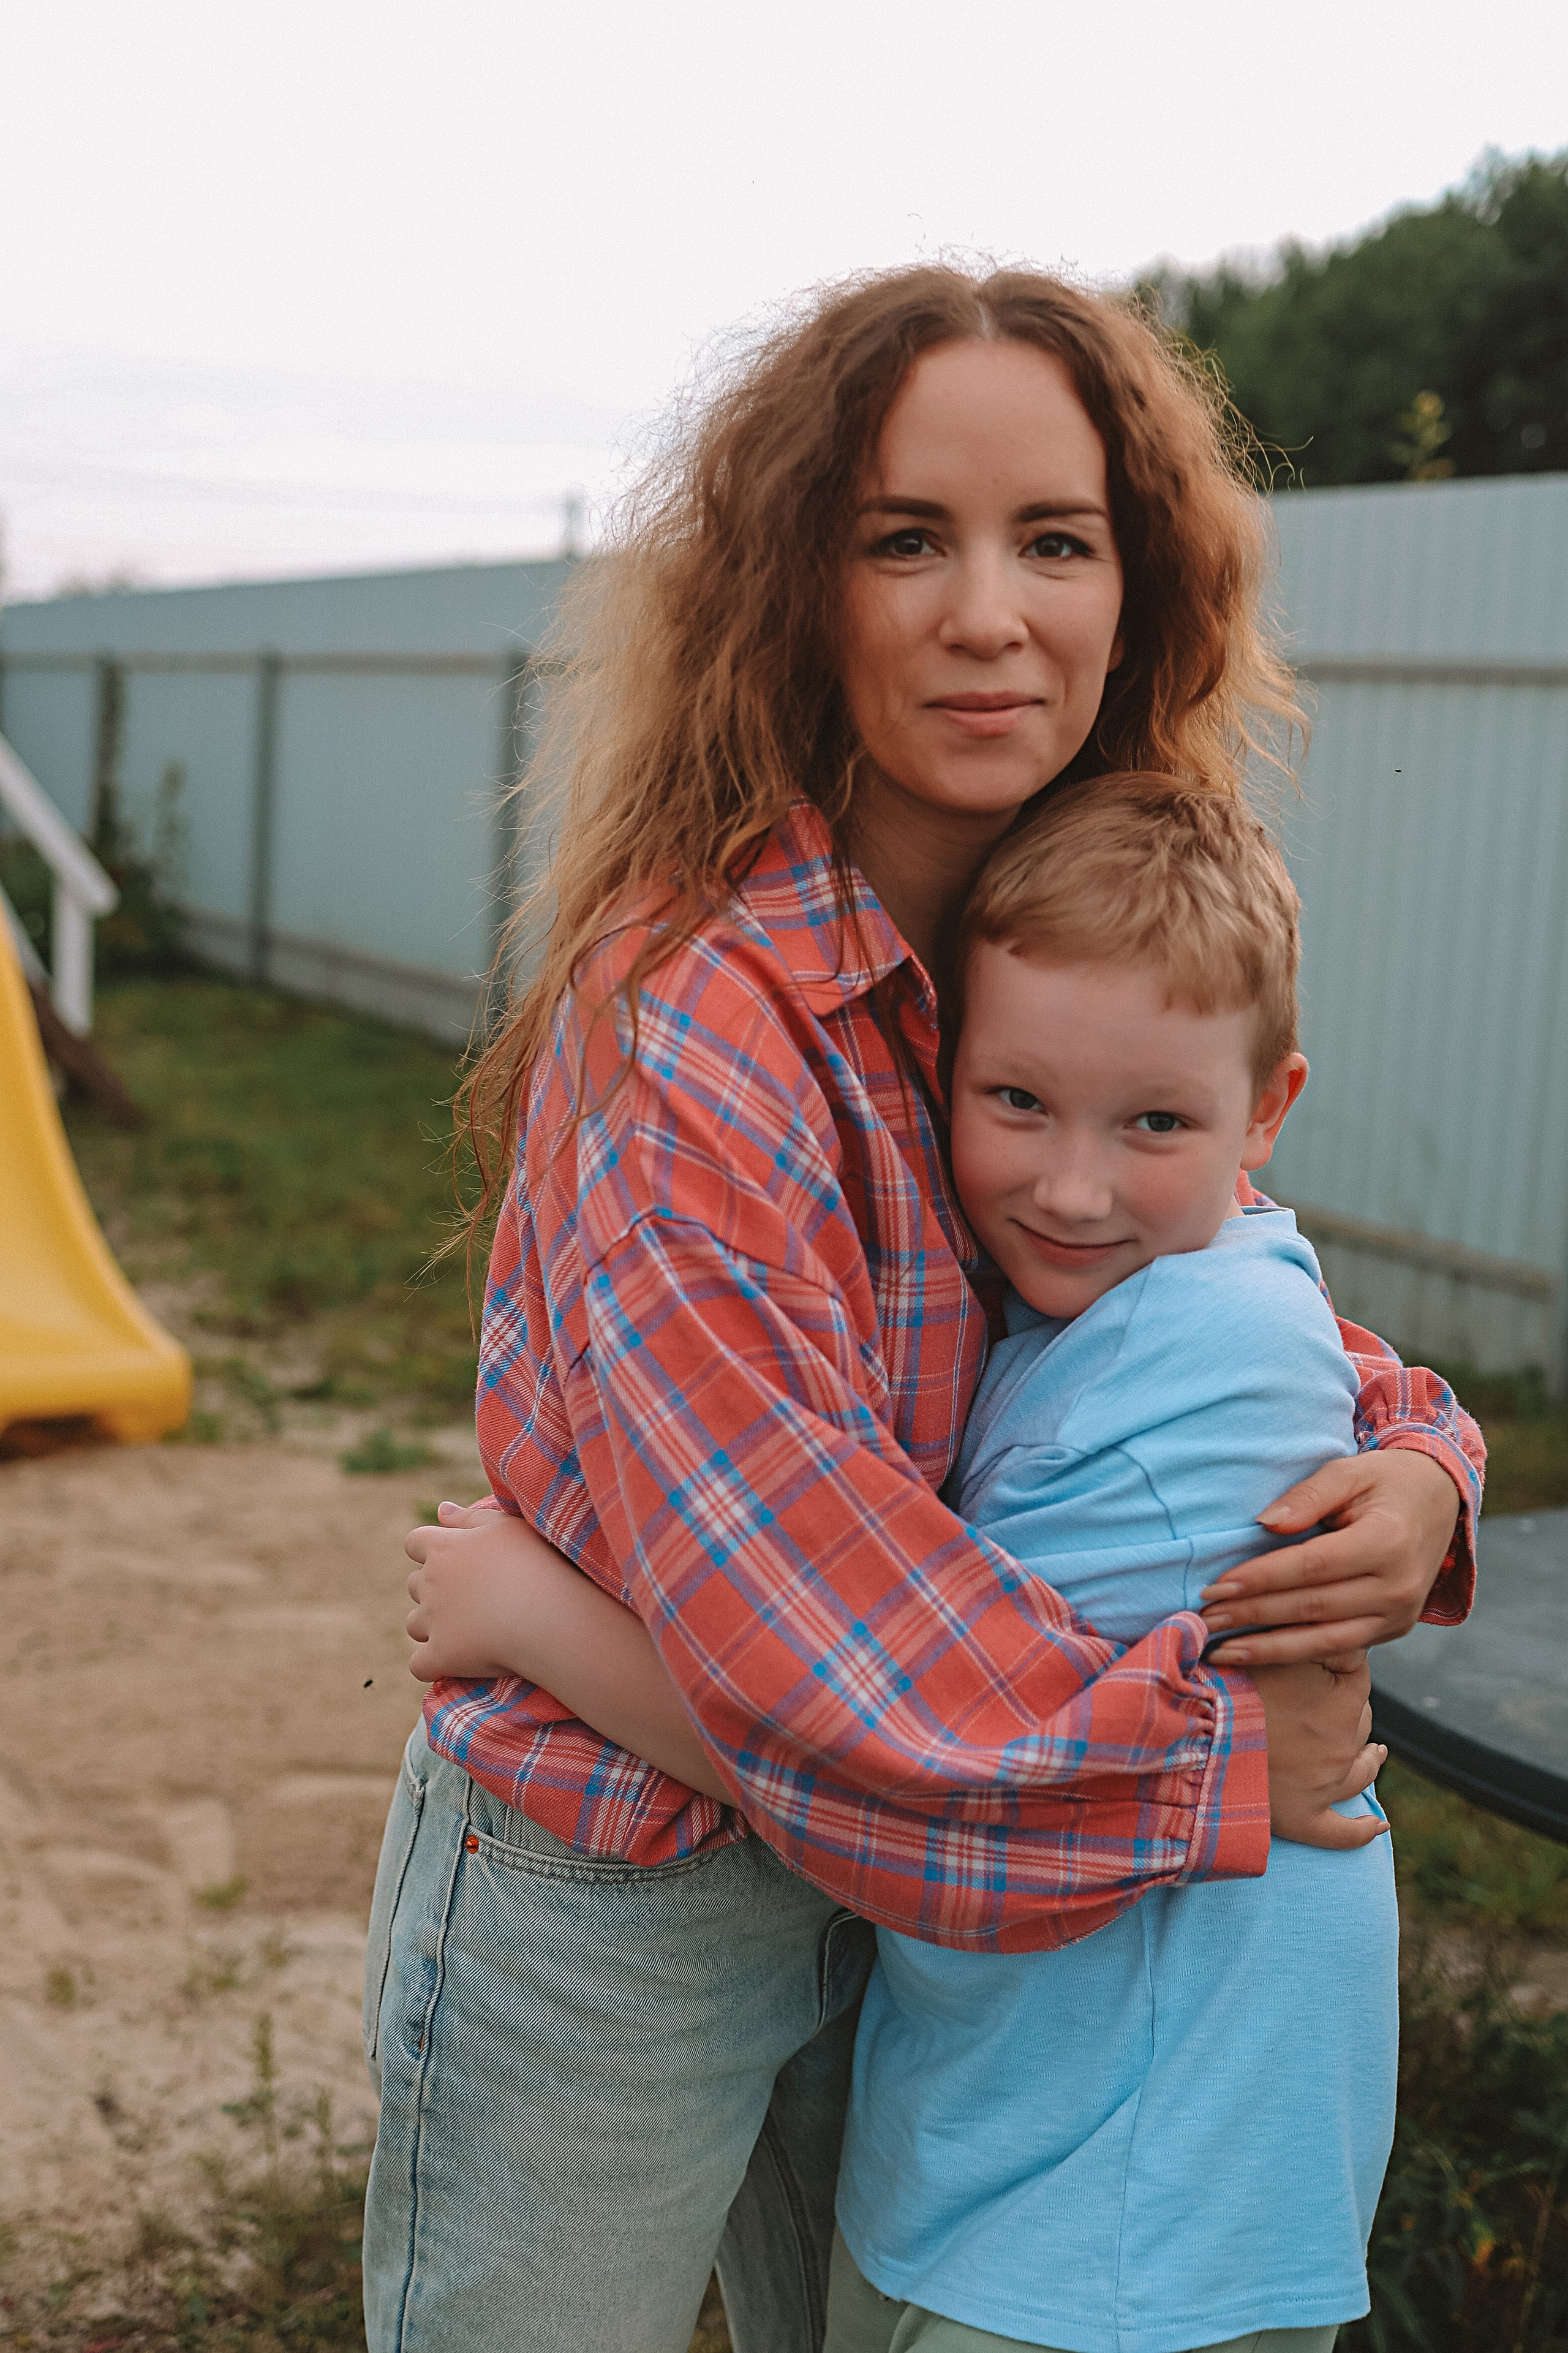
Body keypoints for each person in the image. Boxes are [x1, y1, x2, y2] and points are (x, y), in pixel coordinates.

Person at [368, 265, 1483, 2353]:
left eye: (1054, 538)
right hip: (645, 1870)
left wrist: (1419, 1458)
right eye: (909, 537)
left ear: (1136, 587)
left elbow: (1225, 1283)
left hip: (947, 1899)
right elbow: (827, 1666)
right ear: (801, 587)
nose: (991, 610)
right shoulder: (697, 1021)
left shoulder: (1044, 942)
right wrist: (1222, 1770)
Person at [405, 773, 1409, 2353]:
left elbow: (895, 1736)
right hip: (1064, 2152)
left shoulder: (1188, 1380)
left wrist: (535, 1617)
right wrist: (1433, 1446)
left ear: (1265, 1109)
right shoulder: (1143, 1281)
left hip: (1120, 2218)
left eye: (1153, 1121)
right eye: (1017, 1105)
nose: (1071, 1187)